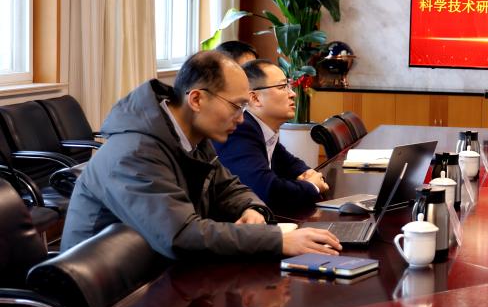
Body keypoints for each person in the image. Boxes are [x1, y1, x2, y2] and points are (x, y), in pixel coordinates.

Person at [61, 51, 341, 258]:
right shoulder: (134, 153)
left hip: (155, 273)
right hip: (108, 301)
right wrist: (277, 240)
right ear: (196, 99)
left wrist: (251, 209)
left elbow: (229, 187)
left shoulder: (192, 135)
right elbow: (180, 235)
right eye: (236, 106)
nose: (241, 118)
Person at [213, 59, 329, 210]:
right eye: (282, 87)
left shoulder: (261, 128)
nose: (293, 94)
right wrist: (312, 186)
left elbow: (290, 164)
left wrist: (308, 174)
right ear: (254, 98)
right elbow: (267, 192)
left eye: (289, 86)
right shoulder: (241, 129)